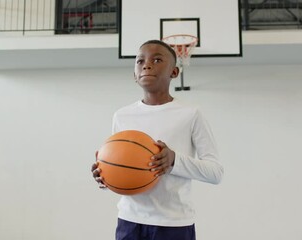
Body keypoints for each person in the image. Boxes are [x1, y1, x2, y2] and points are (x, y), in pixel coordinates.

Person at [91, 39, 224, 240]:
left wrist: (174, 161)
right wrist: (106, 174)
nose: (146, 64)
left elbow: (216, 173)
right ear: (134, 75)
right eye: (140, 61)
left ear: (174, 72)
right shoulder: (121, 116)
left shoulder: (191, 114)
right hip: (129, 221)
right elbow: (121, 167)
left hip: (174, 224)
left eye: (157, 59)